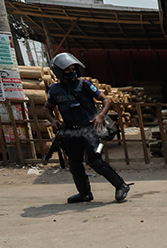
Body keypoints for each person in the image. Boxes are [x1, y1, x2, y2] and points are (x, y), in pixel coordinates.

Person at [43, 52, 130, 203]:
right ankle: (85, 194)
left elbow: (106, 100)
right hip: (70, 131)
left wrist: (101, 115)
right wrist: (52, 120)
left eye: (73, 69)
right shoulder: (54, 90)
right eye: (67, 70)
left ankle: (121, 185)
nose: (72, 72)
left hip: (89, 130)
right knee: (74, 164)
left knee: (95, 161)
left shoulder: (85, 84)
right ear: (58, 72)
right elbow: (46, 108)